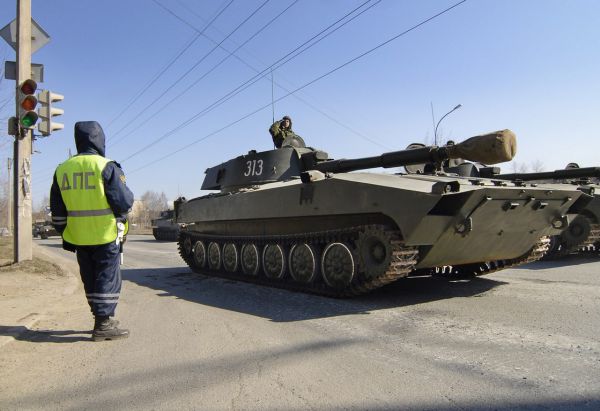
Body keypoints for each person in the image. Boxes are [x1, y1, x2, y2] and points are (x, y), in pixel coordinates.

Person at [50, 121, 134, 342]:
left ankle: (99, 318)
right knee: (107, 276)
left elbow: (57, 211)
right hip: (105, 234)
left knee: (90, 278)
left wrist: (64, 232)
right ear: (100, 140)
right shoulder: (106, 166)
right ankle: (104, 323)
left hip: (79, 236)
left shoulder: (62, 169)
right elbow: (124, 202)